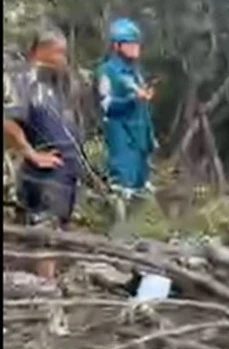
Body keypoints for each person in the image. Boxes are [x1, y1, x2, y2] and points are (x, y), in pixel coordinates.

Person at [3, 26, 82, 279]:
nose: (63, 59)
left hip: (64, 174)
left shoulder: (54, 82)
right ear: (41, 50)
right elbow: (7, 119)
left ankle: (50, 288)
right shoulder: (23, 79)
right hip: (43, 174)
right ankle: (44, 294)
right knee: (44, 236)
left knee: (57, 235)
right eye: (59, 53)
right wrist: (30, 153)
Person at [97, 18, 156, 208]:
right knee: (123, 187)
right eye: (130, 43)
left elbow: (142, 109)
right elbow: (106, 105)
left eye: (136, 42)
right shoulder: (107, 71)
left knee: (141, 191)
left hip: (140, 138)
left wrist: (149, 136)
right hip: (122, 137)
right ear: (117, 45)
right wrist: (133, 100)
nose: (135, 47)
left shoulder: (135, 72)